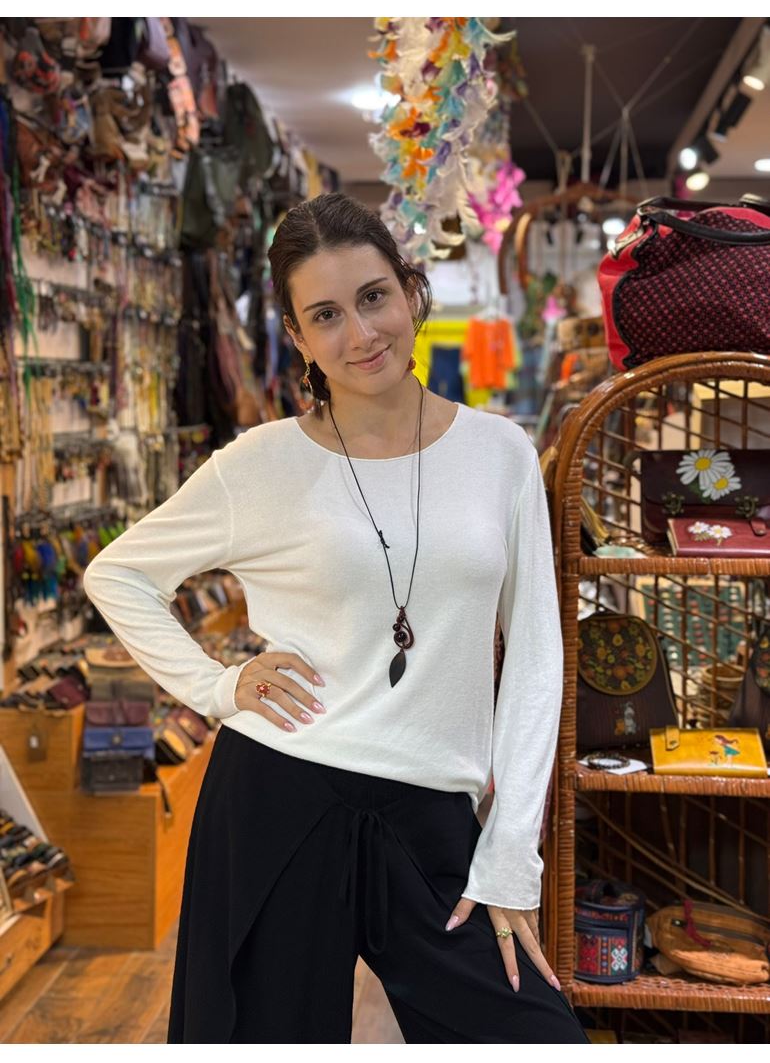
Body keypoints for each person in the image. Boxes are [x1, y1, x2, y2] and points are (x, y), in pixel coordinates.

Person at [82, 192, 590, 1045]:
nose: (361, 333)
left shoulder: (500, 453)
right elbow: (119, 573)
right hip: (280, 791)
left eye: (373, 297)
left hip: (434, 809)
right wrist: (217, 686)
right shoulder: (260, 464)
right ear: (298, 334)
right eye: (325, 315)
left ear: (411, 292)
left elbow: (538, 657)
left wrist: (511, 853)